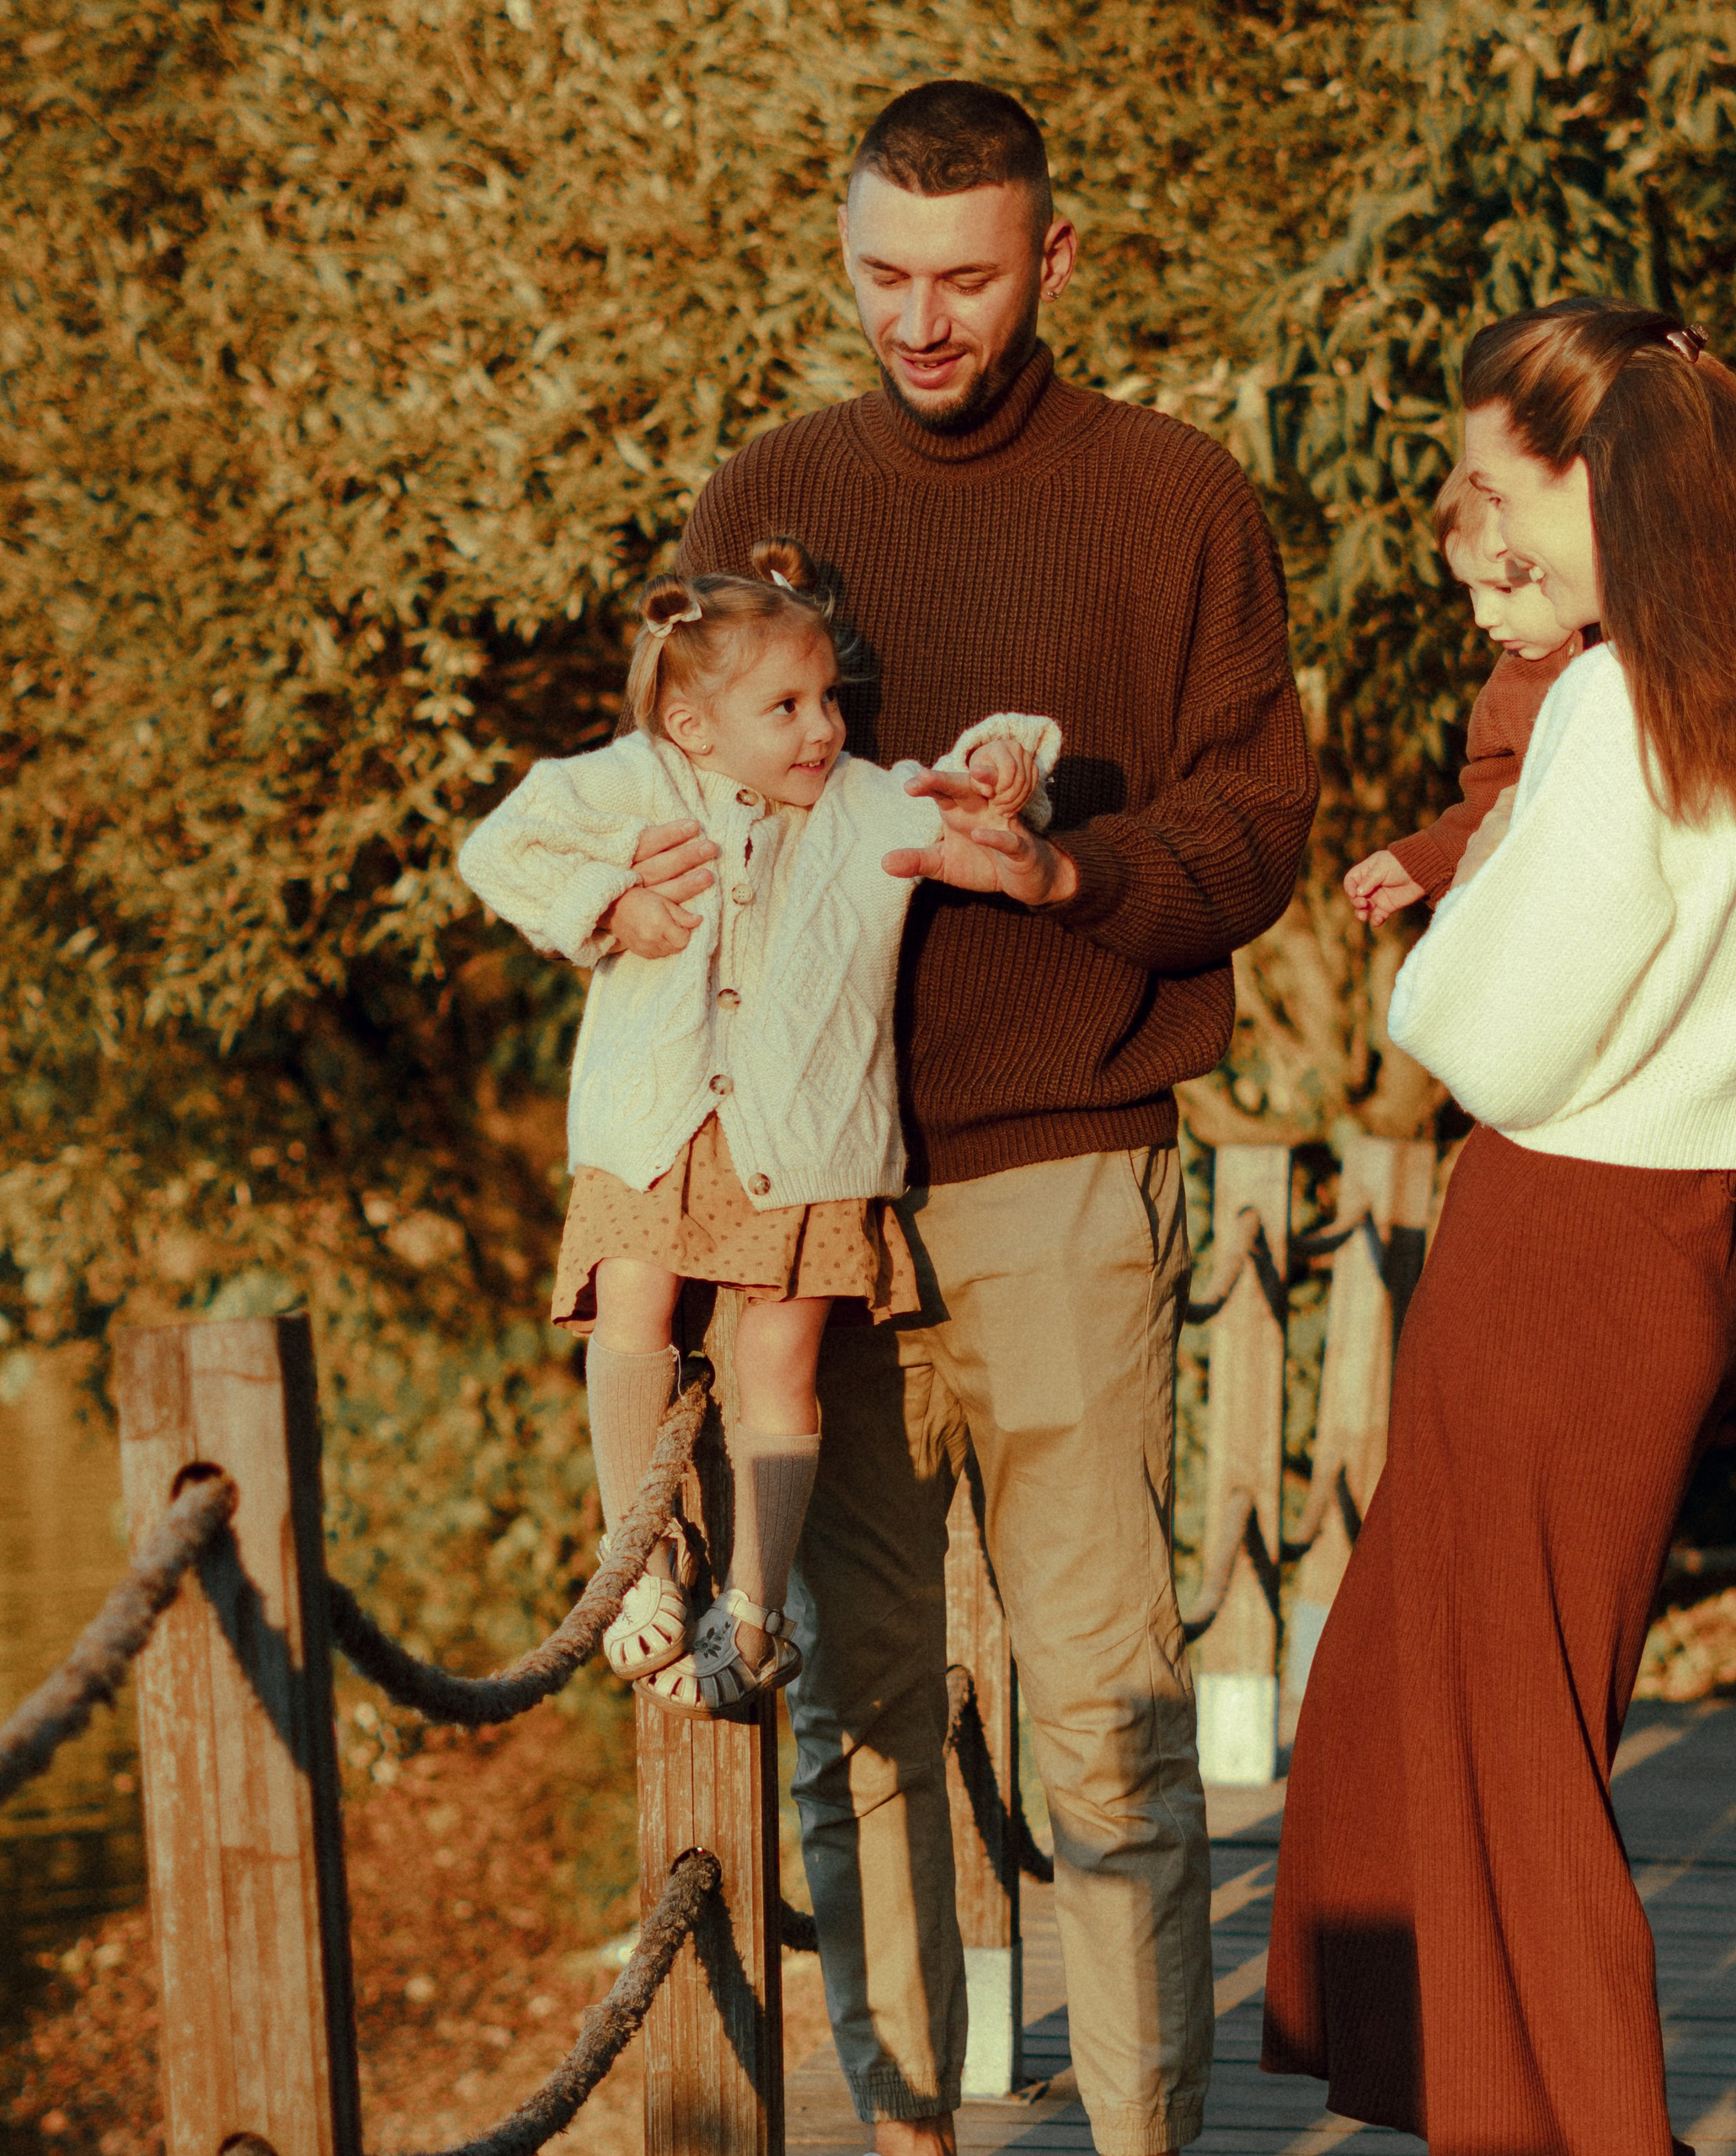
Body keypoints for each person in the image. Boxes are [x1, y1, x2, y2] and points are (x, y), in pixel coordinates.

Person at [603, 81, 1317, 2156]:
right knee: (862, 1716)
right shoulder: (768, 489)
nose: (917, 319)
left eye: (964, 279)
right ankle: (911, 2129)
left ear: (1053, 263)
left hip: (1063, 1171)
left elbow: (1256, 825)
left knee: (1100, 1710)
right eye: (881, 276)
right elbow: (674, 784)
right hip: (807, 1208)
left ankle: (1137, 2136)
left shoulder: (1174, 496)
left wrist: (1061, 870)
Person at [1261, 298, 1736, 2155]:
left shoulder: (1620, 697)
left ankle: (1583, 2122)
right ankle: (1466, 2078)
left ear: (1599, 479)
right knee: (1443, 1660)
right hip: (1709, 1234)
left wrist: (1445, 937)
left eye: (1504, 487)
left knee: (1512, 1721)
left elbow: (1490, 1026)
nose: (1488, 529)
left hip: (1564, 1225)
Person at [458, 539, 1053, 1714]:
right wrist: (611, 901)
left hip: (812, 1144)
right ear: (690, 725)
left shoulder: (868, 801)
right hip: (653, 1126)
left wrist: (1002, 764)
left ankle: (757, 1606)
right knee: (632, 1308)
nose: (822, 727)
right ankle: (644, 1564)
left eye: (829, 698)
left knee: (777, 1367)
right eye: (785, 706)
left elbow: (1001, 769)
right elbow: (500, 847)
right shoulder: (638, 785)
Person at [1344, 463, 1736, 1339]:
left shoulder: (1676, 634)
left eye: (1506, 584)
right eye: (1472, 590)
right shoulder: (1520, 691)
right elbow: (1489, 805)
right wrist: (1423, 860)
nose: (1487, 616)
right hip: (1572, 955)